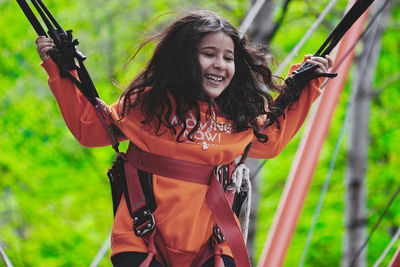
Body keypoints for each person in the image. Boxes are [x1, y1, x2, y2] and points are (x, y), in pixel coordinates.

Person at [35, 10, 332, 267]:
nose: (220, 65)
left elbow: (272, 139)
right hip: (142, 238)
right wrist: (61, 69)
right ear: (183, 60)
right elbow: (92, 129)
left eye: (228, 58)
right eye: (208, 54)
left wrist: (306, 82)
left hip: (212, 246)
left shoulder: (236, 116)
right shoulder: (147, 105)